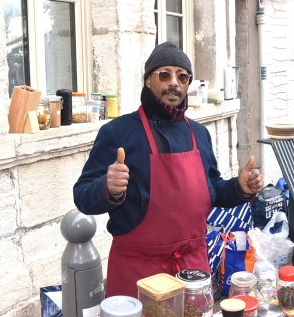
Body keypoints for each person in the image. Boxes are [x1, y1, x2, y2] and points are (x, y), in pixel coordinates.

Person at [73, 42, 264, 298]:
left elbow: (213, 191)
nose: (174, 82)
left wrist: (239, 188)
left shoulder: (199, 133)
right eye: (164, 74)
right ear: (148, 81)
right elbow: (83, 196)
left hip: (192, 271)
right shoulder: (118, 132)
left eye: (182, 76)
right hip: (138, 272)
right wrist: (107, 188)